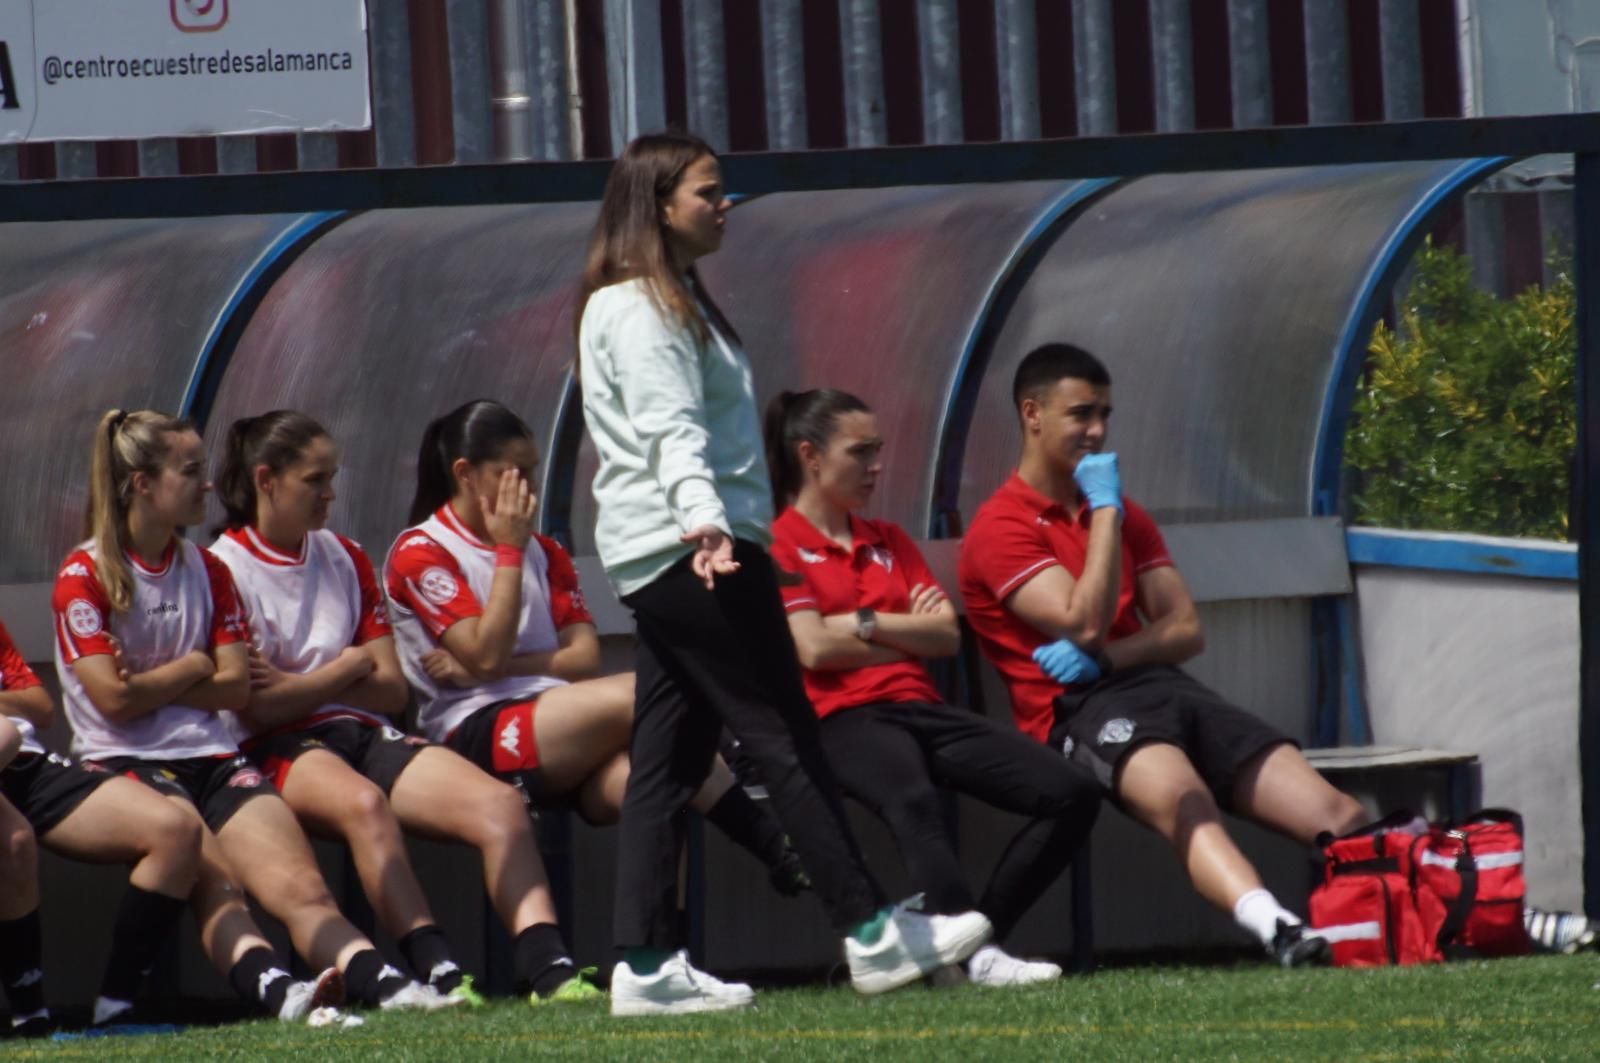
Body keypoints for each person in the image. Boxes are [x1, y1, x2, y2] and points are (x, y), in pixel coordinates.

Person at [576, 129, 990, 1015]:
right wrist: (704, 522)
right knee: (784, 733)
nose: (724, 204)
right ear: (658, 206)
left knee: (667, 760)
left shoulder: (660, 297)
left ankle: (644, 964)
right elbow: (670, 426)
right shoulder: (642, 307)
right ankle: (870, 930)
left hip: (675, 552)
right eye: (707, 191)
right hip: (700, 550)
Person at [957, 344, 1369, 967]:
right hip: (1078, 709)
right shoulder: (1002, 526)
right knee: (1185, 802)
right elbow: (1083, 619)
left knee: (1339, 813)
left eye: (1105, 415)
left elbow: (1184, 629)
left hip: (1160, 684)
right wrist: (1104, 513)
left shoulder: (1123, 512)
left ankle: (1414, 915)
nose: (1097, 431)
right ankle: (1279, 928)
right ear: (1032, 414)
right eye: (1081, 414)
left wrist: (1110, 656)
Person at [52, 409, 452, 1015]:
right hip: (126, 759)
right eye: (191, 471)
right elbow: (113, 702)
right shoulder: (84, 574)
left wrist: (159, 681)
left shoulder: (207, 569)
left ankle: (391, 987)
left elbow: (235, 688)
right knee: (218, 882)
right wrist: (194, 667)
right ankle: (262, 993)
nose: (208, 484)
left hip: (214, 755)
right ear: (143, 484)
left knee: (304, 887)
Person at [209, 410, 597, 1007]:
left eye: (332, 478)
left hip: (363, 729)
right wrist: (347, 666)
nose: (329, 494)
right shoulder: (222, 567)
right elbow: (257, 709)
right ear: (266, 480)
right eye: (315, 480)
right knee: (364, 804)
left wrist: (307, 682)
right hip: (276, 746)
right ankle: (439, 972)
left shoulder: (345, 554)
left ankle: (550, 971)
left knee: (499, 805)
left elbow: (391, 690)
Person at [383, 400, 805, 900]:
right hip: (476, 733)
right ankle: (755, 794)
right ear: (466, 474)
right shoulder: (422, 550)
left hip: (565, 731)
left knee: (655, 784)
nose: (529, 488)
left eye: (533, 471)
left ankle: (670, 938)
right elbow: (487, 654)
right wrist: (508, 552)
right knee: (644, 695)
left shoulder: (548, 551)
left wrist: (492, 666)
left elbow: (581, 658)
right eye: (513, 474)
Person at [764, 388, 1103, 986]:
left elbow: (945, 636)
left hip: (919, 708)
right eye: (860, 452)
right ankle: (973, 959)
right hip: (841, 717)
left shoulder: (890, 540)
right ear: (810, 456)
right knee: (913, 796)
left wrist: (863, 622)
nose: (876, 466)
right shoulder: (777, 544)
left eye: (878, 450)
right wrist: (904, 633)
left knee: (1072, 792)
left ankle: (974, 944)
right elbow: (812, 649)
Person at [1, 618, 207, 1034]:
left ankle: (116, 1009)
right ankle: (31, 1018)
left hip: (27, 764)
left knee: (176, 832)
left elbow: (40, 706)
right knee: (14, 840)